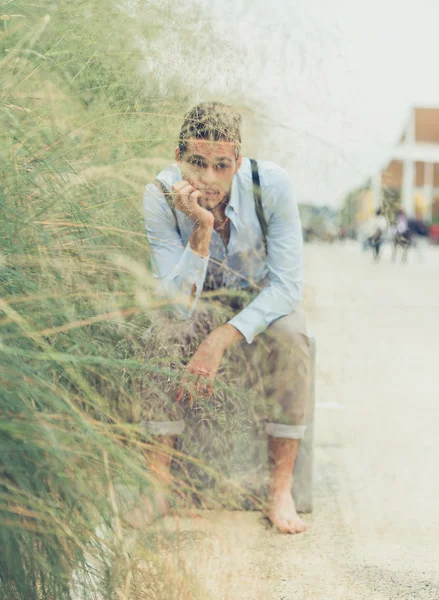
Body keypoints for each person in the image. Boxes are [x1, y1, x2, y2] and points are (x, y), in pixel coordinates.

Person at [132, 102, 311, 535]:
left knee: (293, 336)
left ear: (238, 161)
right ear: (178, 155)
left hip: (259, 301)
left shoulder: (272, 185)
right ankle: (158, 483)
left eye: (221, 165)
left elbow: (287, 287)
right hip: (195, 302)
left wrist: (221, 338)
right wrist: (201, 227)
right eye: (196, 163)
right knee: (161, 330)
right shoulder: (159, 195)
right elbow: (177, 306)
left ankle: (279, 488)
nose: (208, 179)